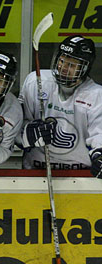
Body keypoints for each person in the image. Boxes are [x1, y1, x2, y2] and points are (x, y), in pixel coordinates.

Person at [18, 35, 102, 178]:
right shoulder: (35, 82)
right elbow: (16, 126)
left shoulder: (96, 95)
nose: (63, 68)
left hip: (80, 177)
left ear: (85, 68)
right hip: (34, 173)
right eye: (62, 61)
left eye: (72, 65)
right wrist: (28, 133)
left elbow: (99, 135)